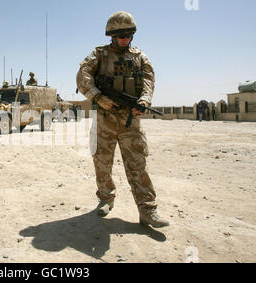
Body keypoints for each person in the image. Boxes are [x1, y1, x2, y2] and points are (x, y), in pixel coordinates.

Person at [76, 11, 169, 228]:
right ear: (111, 35)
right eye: (120, 35)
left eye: (128, 34)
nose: (124, 38)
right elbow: (83, 75)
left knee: (138, 165)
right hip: (105, 119)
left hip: (131, 120)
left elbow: (148, 80)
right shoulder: (99, 54)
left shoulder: (140, 57)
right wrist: (98, 96)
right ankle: (105, 199)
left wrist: (145, 100)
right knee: (102, 162)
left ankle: (147, 210)